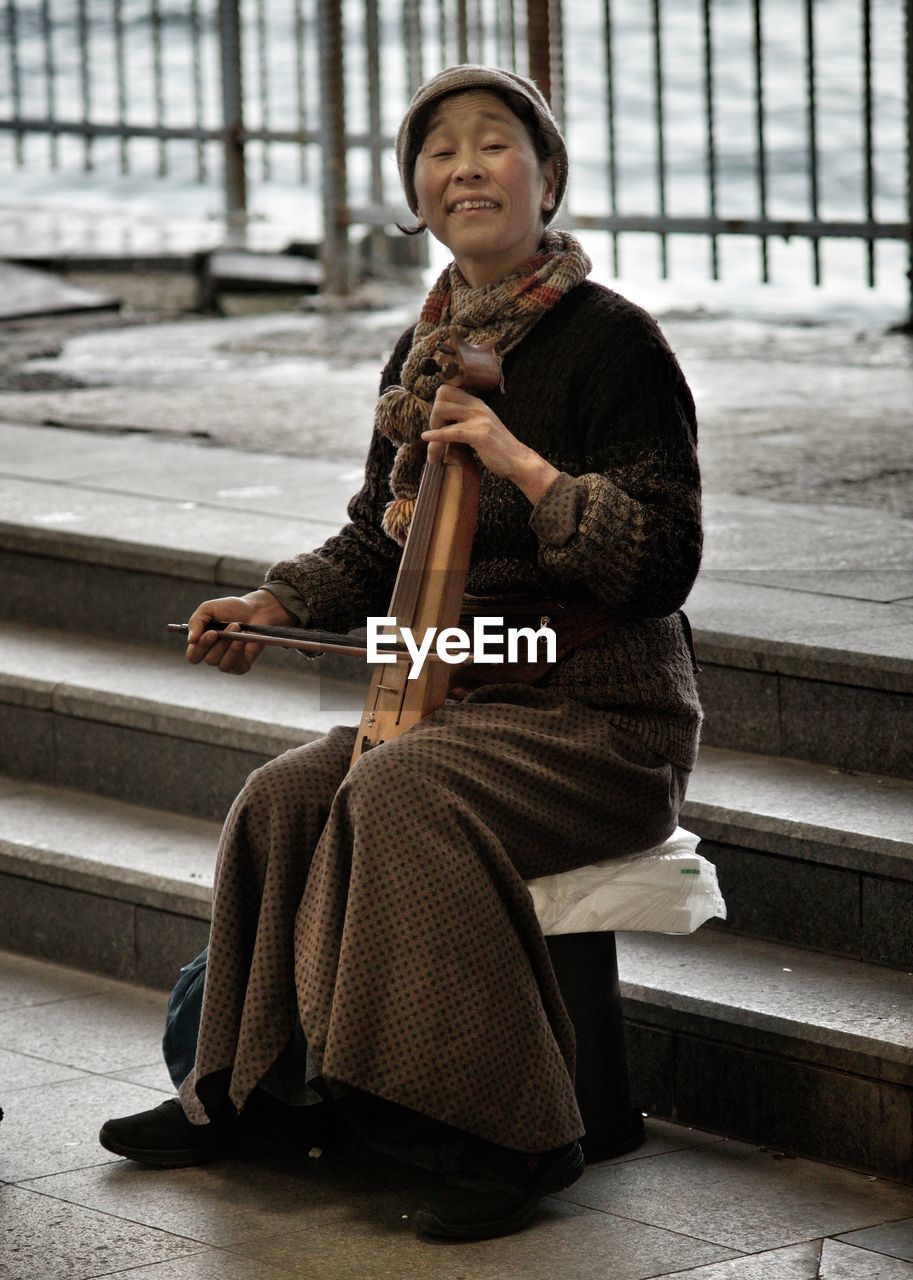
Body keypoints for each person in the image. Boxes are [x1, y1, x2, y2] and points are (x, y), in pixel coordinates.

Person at [99, 64, 702, 1241]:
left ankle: (515, 1126)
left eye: (493, 145)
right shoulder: (421, 351)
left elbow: (664, 561)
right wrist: (271, 602)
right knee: (284, 792)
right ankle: (257, 1090)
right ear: (415, 195)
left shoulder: (617, 342)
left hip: (601, 720)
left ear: (549, 177)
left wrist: (525, 464)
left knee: (401, 787)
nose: (464, 167)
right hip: (454, 703)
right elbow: (372, 545)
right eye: (438, 152)